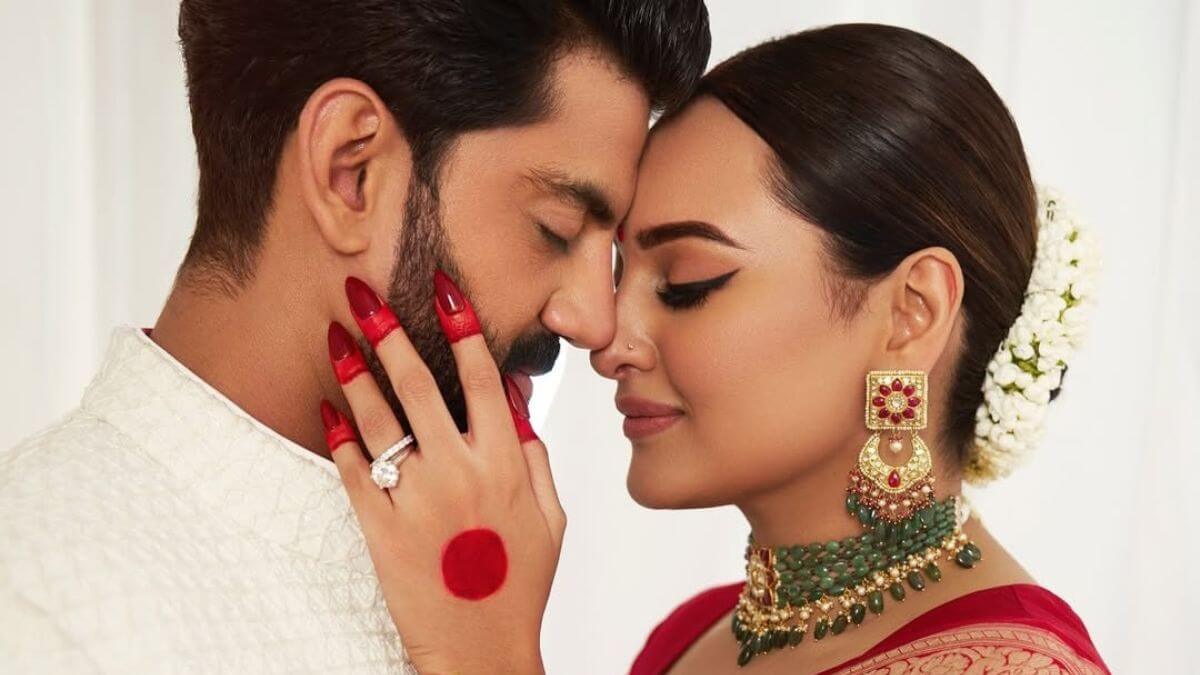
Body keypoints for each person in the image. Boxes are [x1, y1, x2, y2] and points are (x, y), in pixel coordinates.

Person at [321, 24, 1110, 674]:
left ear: (911, 312)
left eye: (686, 283)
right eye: (621, 273)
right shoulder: (690, 640)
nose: (607, 340)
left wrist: (485, 658)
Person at [0, 1, 710, 672]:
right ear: (351, 171)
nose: (595, 322)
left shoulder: (470, 573)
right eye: (556, 228)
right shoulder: (43, 618)